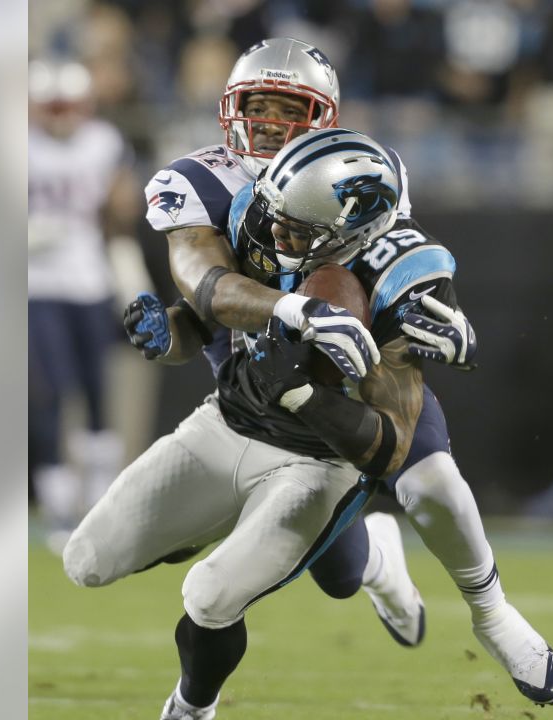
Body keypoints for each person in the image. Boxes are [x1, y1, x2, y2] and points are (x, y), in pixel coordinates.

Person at [129, 38, 553, 708]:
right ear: (230, 108)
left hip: (352, 357)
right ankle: (377, 560)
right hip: (258, 373)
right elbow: (203, 285)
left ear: (324, 116)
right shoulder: (194, 178)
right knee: (334, 571)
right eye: (258, 105)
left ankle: (493, 613)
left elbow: (398, 256)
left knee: (434, 480)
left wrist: (436, 309)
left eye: (288, 107)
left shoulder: (363, 167)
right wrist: (226, 323)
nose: (270, 122)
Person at [63, 133, 428, 720]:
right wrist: (169, 337)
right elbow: (206, 314)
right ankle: (219, 519)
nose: (277, 236)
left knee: (213, 595)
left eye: (298, 227)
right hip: (229, 422)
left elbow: (389, 450)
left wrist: (309, 395)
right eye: (276, 218)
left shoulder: (397, 285)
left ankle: (191, 707)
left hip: (318, 462)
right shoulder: (262, 222)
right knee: (86, 560)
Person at [27, 59, 142, 546]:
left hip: (89, 279)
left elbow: (123, 209)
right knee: (51, 394)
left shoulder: (104, 143)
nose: (60, 116)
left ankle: (99, 499)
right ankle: (57, 506)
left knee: (98, 389)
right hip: (36, 282)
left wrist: (117, 215)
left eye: (68, 106)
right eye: (53, 107)